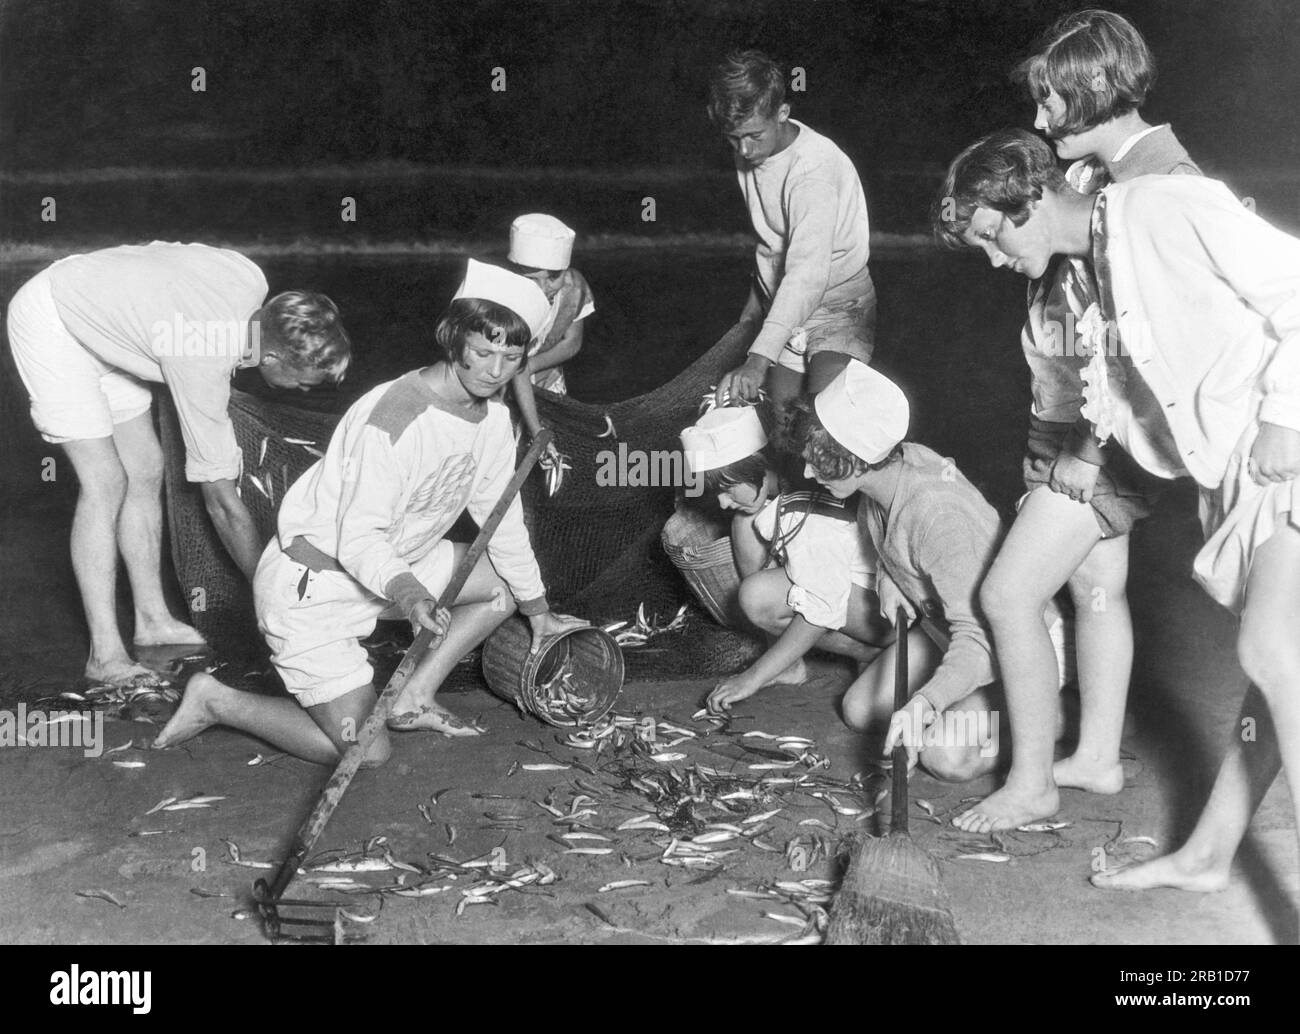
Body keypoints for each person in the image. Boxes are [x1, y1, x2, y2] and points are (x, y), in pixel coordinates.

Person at [936, 131, 1300, 878]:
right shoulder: (1084, 259)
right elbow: (1103, 375)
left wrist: (1282, 416)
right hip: (1193, 461)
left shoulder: (1141, 220)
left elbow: (1288, 286)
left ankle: (1041, 783)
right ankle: (1178, 829)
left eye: (991, 235)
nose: (993, 258)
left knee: (1268, 651)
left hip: (1228, 448)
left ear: (1031, 198)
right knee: (1257, 658)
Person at [152, 260, 587, 764]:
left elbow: (501, 522)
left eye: (511, 358)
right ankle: (217, 701)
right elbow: (358, 537)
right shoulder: (395, 417)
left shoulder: (492, 421)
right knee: (368, 753)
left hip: (393, 568)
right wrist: (411, 592)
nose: (496, 371)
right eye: (483, 353)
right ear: (453, 341)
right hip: (316, 591)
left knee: (506, 582)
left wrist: (539, 611)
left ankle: (413, 695)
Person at [954, 9, 1204, 832]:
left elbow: (1133, 350)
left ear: (1096, 87)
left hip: (1110, 439)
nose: (1040, 119)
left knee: (1008, 592)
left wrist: (1090, 453)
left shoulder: (1153, 182)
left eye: (1052, 102)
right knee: (1098, 589)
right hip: (1075, 428)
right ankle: (1096, 755)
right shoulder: (1101, 175)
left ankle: (1032, 783)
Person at [5, 241, 351, 687]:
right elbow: (222, 503)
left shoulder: (249, 277)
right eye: (303, 384)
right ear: (272, 357)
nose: (304, 392)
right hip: (55, 320)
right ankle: (105, 654)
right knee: (106, 479)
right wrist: (272, 593)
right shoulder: (203, 359)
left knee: (145, 467)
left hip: (112, 319)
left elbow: (166, 258)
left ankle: (152, 620)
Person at [793, 362, 1072, 781]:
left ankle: (1059, 715)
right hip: (949, 629)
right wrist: (889, 580)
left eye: (820, 463)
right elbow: (888, 539)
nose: (807, 473)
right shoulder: (886, 474)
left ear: (856, 461)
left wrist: (927, 702)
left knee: (944, 756)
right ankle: (964, 708)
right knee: (859, 711)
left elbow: (980, 639)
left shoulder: (939, 515)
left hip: (1013, 647)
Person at [676, 405, 890, 715]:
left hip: (883, 613)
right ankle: (790, 663)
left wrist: (752, 678)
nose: (722, 502)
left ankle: (872, 652)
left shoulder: (806, 511)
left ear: (757, 466)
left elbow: (821, 607)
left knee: (756, 596)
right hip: (848, 589)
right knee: (743, 522)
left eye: (727, 489)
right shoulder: (779, 484)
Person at [706, 50, 875, 410]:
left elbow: (808, 273)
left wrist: (757, 358)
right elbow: (772, 240)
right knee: (782, 427)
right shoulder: (751, 150)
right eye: (733, 138)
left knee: (825, 423)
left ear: (783, 113)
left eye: (753, 135)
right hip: (783, 303)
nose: (745, 149)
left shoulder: (813, 173)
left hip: (837, 304)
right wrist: (755, 304)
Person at [502, 213, 594, 466]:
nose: (544, 288)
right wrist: (536, 430)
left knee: (554, 452)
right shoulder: (502, 299)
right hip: (499, 383)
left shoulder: (574, 287)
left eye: (553, 277)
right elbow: (515, 367)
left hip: (547, 378)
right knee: (506, 452)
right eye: (532, 280)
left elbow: (572, 341)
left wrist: (532, 365)